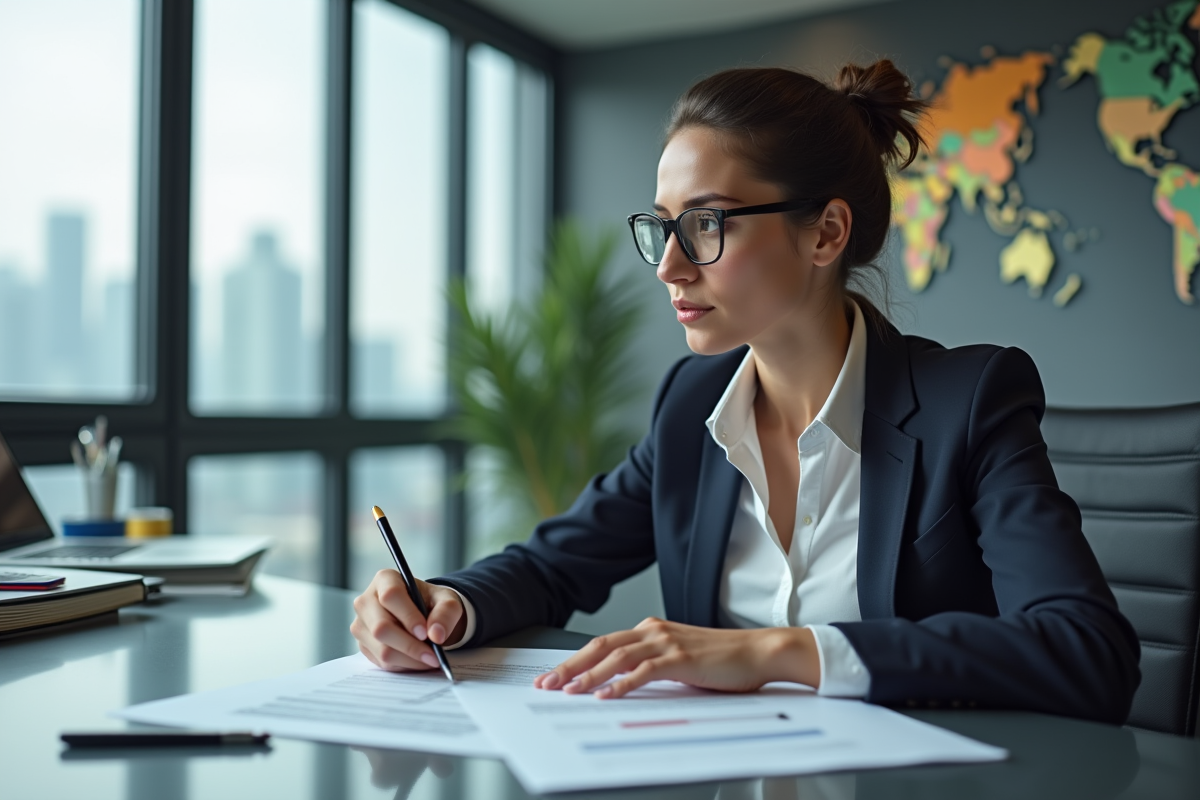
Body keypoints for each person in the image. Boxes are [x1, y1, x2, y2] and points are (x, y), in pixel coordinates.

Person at [352, 60, 1140, 723]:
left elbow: (1088, 652)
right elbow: (555, 566)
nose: (669, 266)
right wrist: (446, 604)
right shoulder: (693, 404)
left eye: (705, 224)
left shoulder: (968, 398)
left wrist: (775, 652)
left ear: (826, 234)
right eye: (662, 227)